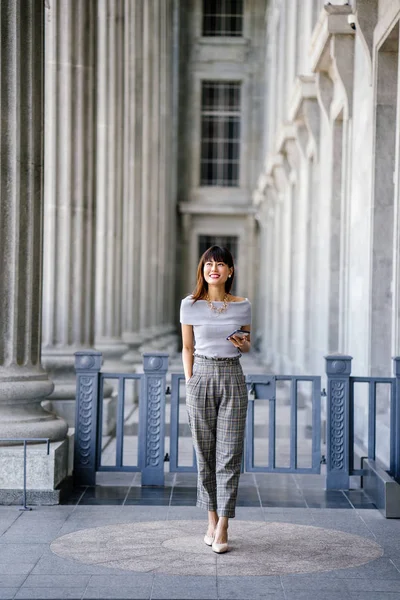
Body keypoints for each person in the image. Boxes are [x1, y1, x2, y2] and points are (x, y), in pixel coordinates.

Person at [180, 245, 251, 554]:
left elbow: (247, 346)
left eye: (220, 264)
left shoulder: (243, 305)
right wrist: (190, 380)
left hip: (233, 376)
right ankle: (210, 518)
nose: (214, 269)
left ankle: (224, 523)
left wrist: (242, 343)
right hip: (201, 377)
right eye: (209, 264)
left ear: (230, 271)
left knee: (230, 454)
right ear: (203, 270)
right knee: (205, 453)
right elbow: (187, 348)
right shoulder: (189, 305)